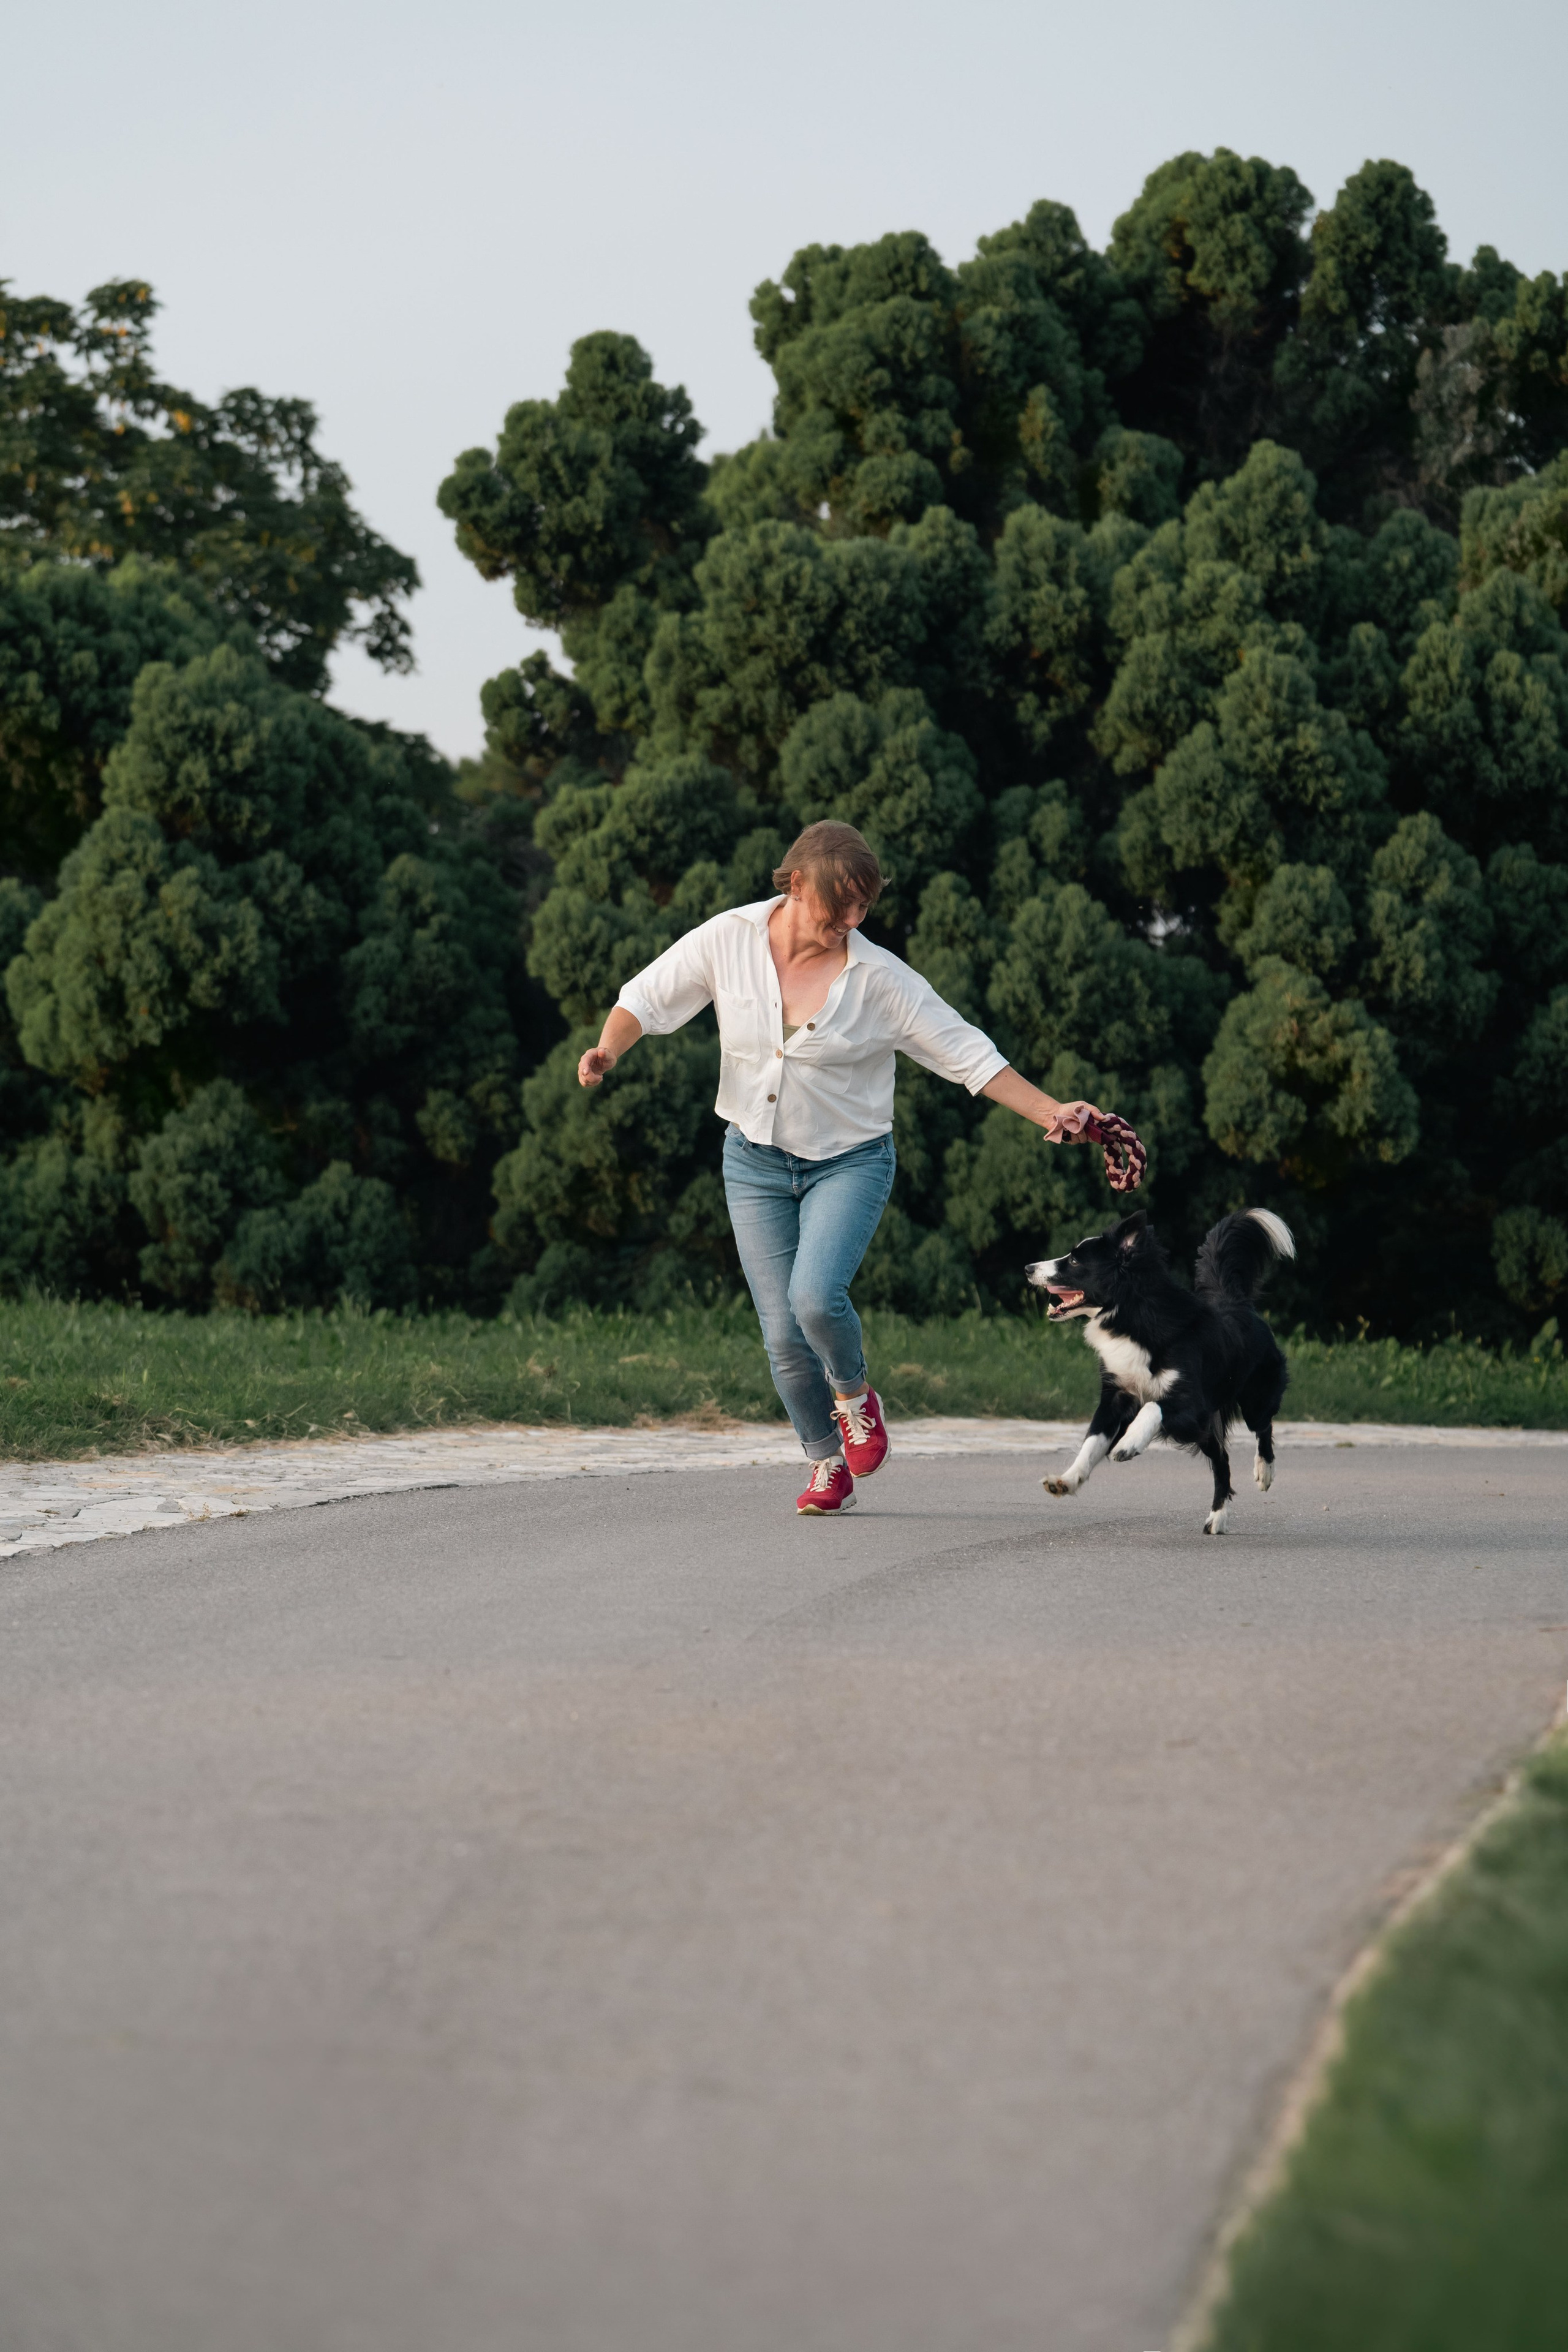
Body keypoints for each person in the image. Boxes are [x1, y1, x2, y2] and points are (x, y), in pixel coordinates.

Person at [578, 821, 1145, 1516]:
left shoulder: (879, 979)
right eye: (835, 908)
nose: (849, 922)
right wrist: (608, 1050)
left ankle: (854, 1396)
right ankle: (824, 1463)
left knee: (814, 1298)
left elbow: (967, 1054)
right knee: (782, 1333)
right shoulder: (727, 938)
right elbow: (645, 997)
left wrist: (1051, 1110)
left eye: (862, 910)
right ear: (793, 884)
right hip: (752, 1161)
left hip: (849, 1162)